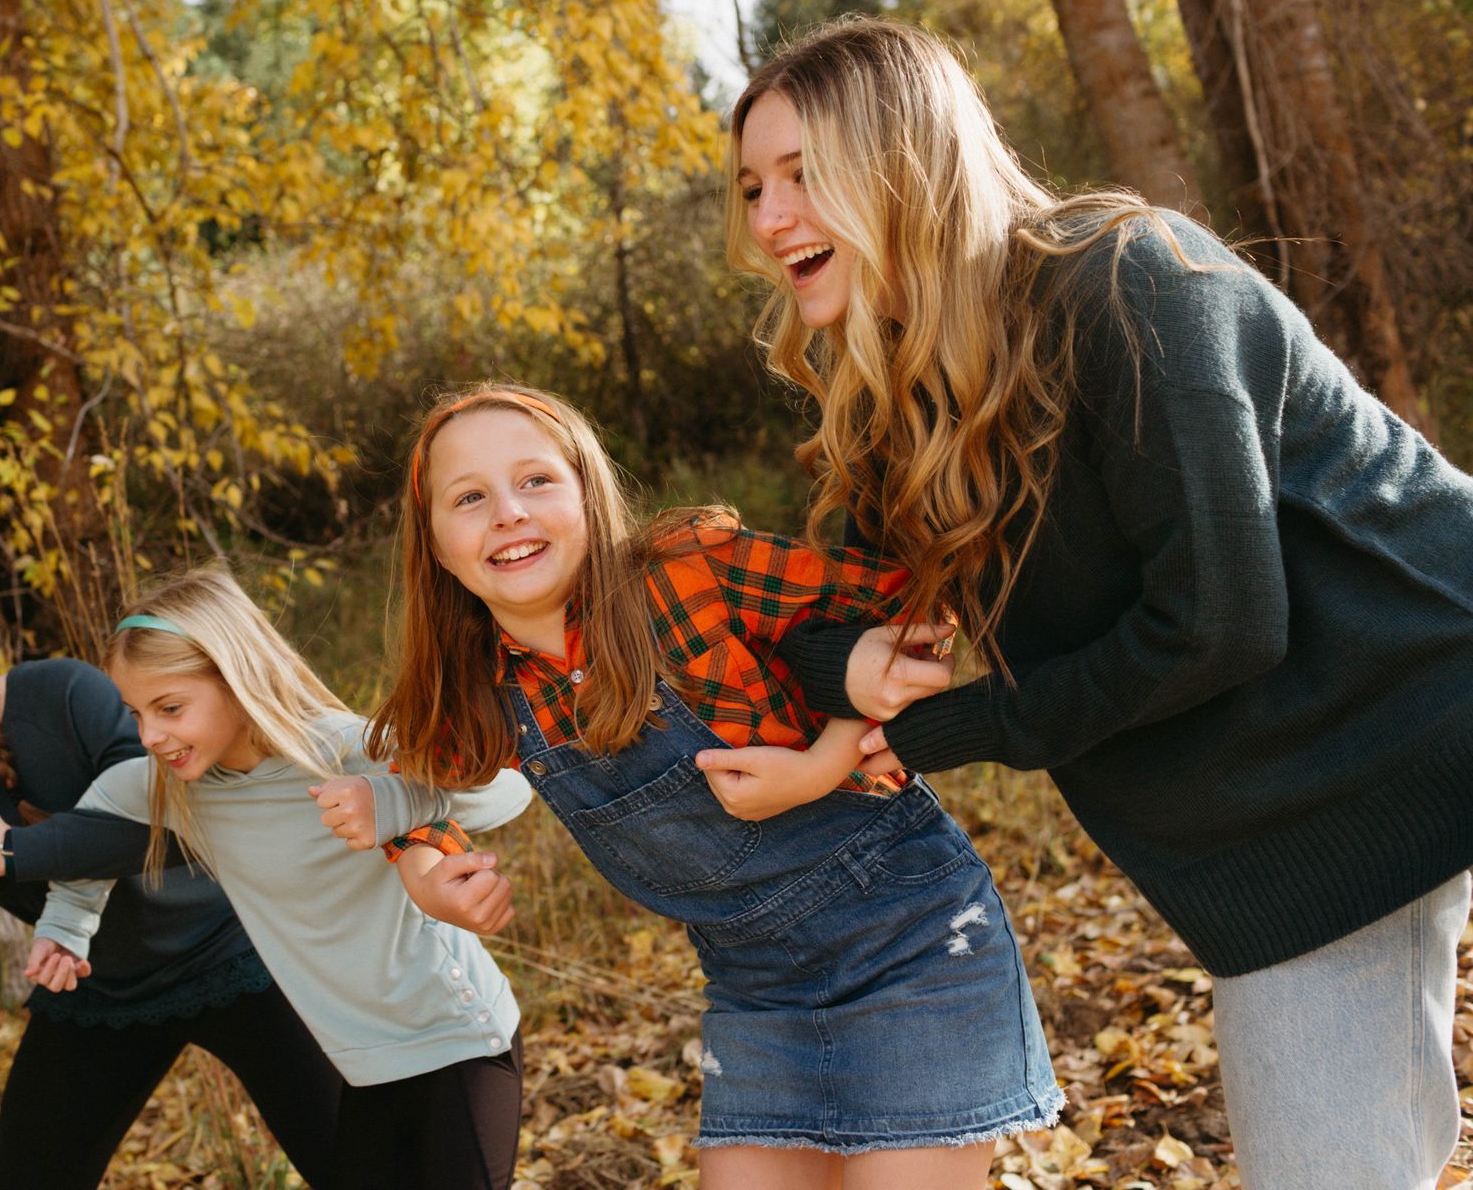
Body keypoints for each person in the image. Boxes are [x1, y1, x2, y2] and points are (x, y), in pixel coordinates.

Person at [712, 15, 1473, 1190]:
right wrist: (848, 677)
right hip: (1279, 840)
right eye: (754, 185)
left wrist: (929, 732)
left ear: (905, 159)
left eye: (804, 176)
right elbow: (825, 623)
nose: (766, 220)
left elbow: (1219, 617)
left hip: (1429, 700)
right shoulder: (893, 402)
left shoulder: (1130, 280)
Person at [329, 383, 1063, 1189]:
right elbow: (405, 782)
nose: (508, 510)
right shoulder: (484, 690)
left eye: (536, 479)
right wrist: (424, 873)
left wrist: (822, 763)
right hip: (757, 991)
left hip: (914, 944)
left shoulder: (689, 576)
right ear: (435, 545)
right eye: (469, 497)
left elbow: (915, 617)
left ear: (587, 493)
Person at [0, 565, 534, 1190]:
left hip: (456, 1040)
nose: (149, 735)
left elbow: (509, 790)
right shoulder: (173, 785)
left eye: (169, 707)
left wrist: (387, 801)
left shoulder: (342, 749)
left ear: (236, 677)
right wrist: (66, 927)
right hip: (365, 1065)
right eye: (136, 712)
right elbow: (93, 836)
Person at [0, 589, 342, 1189]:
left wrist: (13, 849)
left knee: (357, 1166)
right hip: (94, 991)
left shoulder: (56, 696)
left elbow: (177, 815)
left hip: (238, 951)